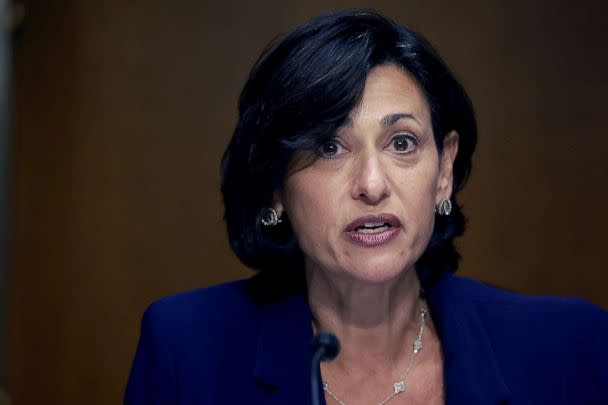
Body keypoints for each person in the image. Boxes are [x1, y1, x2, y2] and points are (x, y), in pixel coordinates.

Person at [124, 10, 608, 405]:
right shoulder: (185, 352)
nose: (372, 185)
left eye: (402, 142)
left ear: (443, 171)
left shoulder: (569, 349)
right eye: (330, 148)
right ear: (275, 186)